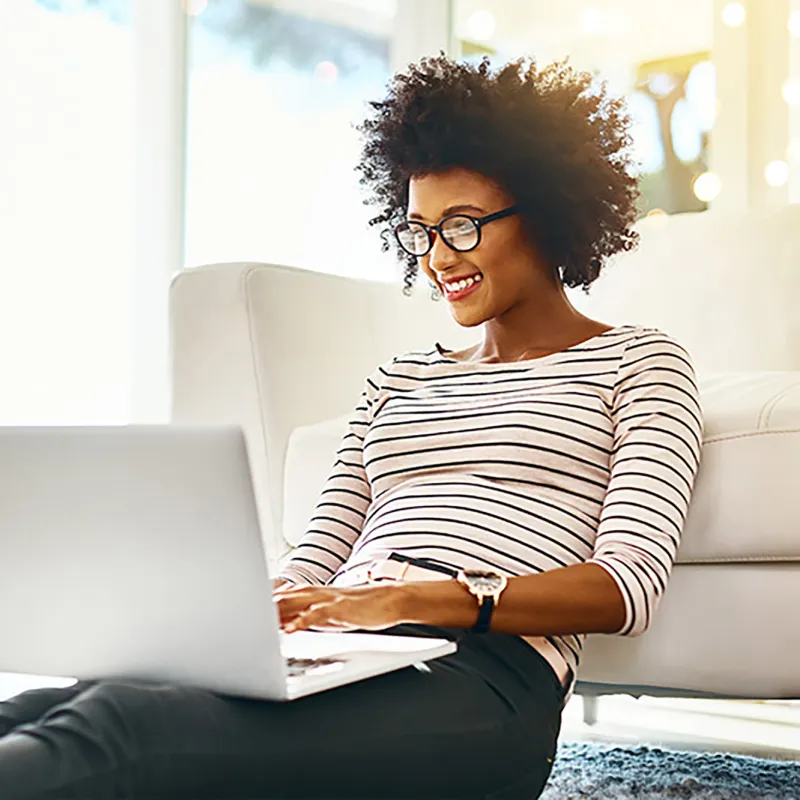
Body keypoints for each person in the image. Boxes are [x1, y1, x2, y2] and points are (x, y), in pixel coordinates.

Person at [0, 54, 703, 799]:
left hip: (484, 683)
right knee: (58, 704)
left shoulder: (639, 362)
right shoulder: (397, 379)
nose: (437, 259)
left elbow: (626, 587)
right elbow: (316, 556)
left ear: (548, 210)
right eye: (420, 232)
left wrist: (410, 599)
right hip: (341, 647)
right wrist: (232, 617)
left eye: (462, 227)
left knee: (122, 730)